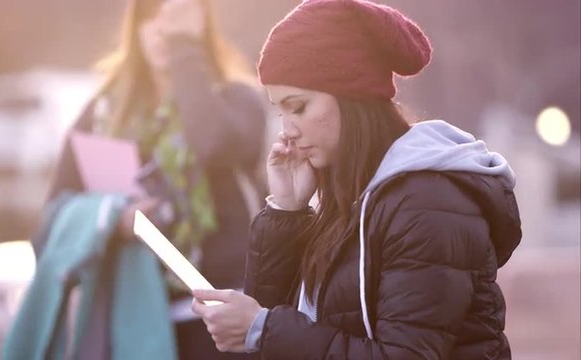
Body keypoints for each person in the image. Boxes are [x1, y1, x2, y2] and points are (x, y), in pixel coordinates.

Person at [191, 1, 522, 359]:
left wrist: (264, 327)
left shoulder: (428, 202)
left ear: (350, 96)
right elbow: (273, 340)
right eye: (280, 110)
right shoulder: (349, 198)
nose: (288, 131)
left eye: (298, 107)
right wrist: (286, 212)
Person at [39, 0, 266, 359]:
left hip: (224, 326)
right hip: (133, 326)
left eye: (177, 15)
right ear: (134, 27)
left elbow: (211, 142)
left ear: (201, 22)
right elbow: (49, 230)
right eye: (151, 16)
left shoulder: (236, 98)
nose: (164, 27)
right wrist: (112, 221)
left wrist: (184, 50)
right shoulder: (103, 115)